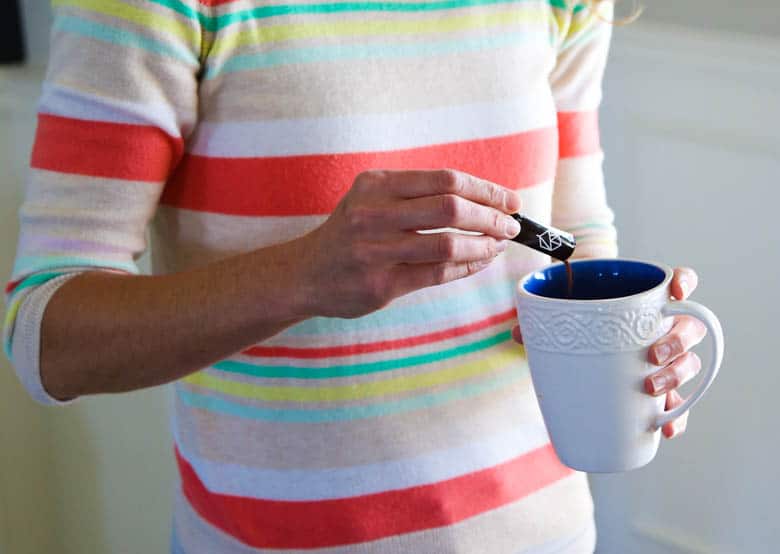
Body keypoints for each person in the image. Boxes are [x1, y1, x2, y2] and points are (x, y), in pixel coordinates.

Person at [3, 0, 707, 552]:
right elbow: (46, 338)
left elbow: (572, 242)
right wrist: (306, 276)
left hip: (547, 535)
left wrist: (626, 336)